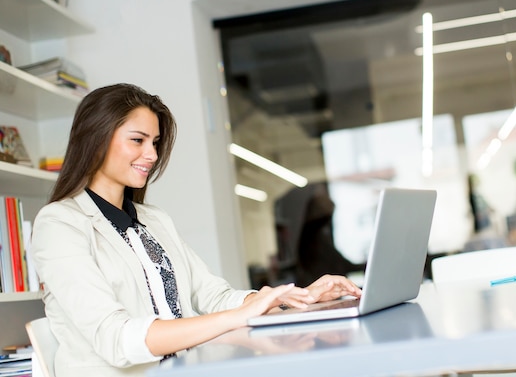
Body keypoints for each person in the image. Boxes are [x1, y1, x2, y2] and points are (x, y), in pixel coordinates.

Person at [30, 83, 361, 377]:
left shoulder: (154, 220)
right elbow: (117, 338)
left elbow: (214, 298)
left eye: (155, 142)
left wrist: (297, 298)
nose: (152, 154)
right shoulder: (59, 224)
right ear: (96, 139)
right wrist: (241, 316)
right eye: (138, 140)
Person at [295, 192, 366, 287]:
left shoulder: (312, 235)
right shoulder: (315, 238)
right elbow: (339, 265)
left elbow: (340, 263)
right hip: (322, 290)